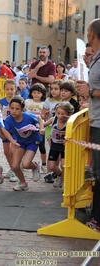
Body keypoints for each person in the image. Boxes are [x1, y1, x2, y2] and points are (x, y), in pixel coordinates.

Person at [75, 18, 100, 232]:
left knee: (99, 174)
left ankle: (97, 222)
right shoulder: (96, 58)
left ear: (92, 34)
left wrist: (90, 92)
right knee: (97, 174)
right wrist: (88, 88)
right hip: (96, 121)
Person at [4, 96, 44, 191]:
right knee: (14, 166)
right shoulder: (9, 119)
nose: (14, 111)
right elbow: (6, 131)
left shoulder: (28, 117)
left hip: (32, 141)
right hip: (21, 142)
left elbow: (39, 117)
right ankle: (23, 183)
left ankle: (35, 166)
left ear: (22, 109)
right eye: (12, 108)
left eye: (17, 109)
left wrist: (41, 128)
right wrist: (12, 141)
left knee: (25, 164)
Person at [43, 102, 74, 188]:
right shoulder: (54, 119)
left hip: (65, 147)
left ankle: (65, 184)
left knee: (64, 165)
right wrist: (39, 127)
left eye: (63, 114)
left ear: (68, 114)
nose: (60, 116)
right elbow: (44, 124)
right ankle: (60, 176)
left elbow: (75, 124)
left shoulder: (70, 122)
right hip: (54, 146)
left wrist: (69, 118)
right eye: (58, 113)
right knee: (51, 166)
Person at [25, 83, 48, 173]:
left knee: (42, 147)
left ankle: (44, 164)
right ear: (31, 93)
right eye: (34, 92)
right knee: (27, 145)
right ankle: (27, 161)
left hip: (40, 127)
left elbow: (46, 116)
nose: (36, 94)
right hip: (28, 128)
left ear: (42, 94)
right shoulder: (27, 102)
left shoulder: (45, 103)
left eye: (38, 92)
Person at [0, 79, 18, 182]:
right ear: (4, 90)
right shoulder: (1, 102)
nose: (10, 91)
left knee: (13, 150)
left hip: (15, 129)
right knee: (7, 152)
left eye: (12, 89)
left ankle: (14, 170)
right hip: (5, 129)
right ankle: (12, 168)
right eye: (7, 89)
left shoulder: (18, 101)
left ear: (15, 89)